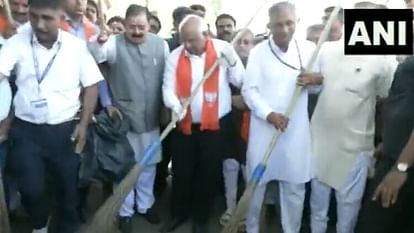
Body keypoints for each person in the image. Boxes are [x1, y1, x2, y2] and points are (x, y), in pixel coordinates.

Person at [0, 0, 103, 232]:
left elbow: (92, 86)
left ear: (61, 18)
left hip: (65, 131)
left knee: (68, 189)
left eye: (47, 18)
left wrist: (84, 125)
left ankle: (66, 226)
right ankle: (40, 225)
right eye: (34, 16)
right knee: (31, 188)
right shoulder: (17, 42)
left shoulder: (76, 47)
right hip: (26, 131)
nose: (39, 24)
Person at [309, 20, 397, 233]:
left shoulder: (385, 59)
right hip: (319, 143)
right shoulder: (327, 49)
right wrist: (315, 80)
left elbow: (386, 97)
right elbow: (311, 88)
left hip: (355, 148)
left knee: (347, 212)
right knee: (317, 208)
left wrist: (384, 140)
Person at [242, 2, 322, 233]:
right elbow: (249, 90)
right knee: (255, 187)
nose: (285, 29)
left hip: (295, 132)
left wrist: (316, 81)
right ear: (269, 26)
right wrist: (269, 114)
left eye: (289, 23)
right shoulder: (258, 52)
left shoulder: (309, 50)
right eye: (279, 24)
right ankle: (252, 228)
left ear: (297, 22)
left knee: (294, 189)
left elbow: (315, 91)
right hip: (264, 130)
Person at [161, 14, 244, 233]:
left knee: (207, 173)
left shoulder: (223, 49)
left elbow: (241, 80)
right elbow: (167, 88)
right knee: (182, 171)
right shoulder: (175, 56)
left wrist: (233, 61)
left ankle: (200, 218)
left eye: (191, 40)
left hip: (216, 126)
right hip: (184, 124)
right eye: (183, 40)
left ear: (205, 35)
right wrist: (175, 106)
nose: (187, 45)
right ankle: (179, 214)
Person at [88, 4, 168, 233]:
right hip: (123, 119)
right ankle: (125, 211)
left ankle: (146, 205)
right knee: (123, 168)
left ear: (148, 25)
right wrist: (100, 40)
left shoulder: (159, 44)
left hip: (152, 116)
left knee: (149, 165)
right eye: (131, 27)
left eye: (141, 27)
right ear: (124, 25)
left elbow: (166, 75)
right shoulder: (113, 42)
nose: (136, 31)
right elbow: (97, 54)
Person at [355, 56, 414, 233]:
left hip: (403, 162)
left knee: (373, 224)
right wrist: (386, 141)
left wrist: (400, 168)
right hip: (395, 152)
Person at [220, 28, 254, 226]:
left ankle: (248, 212)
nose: (242, 45)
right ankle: (230, 208)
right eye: (238, 41)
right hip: (228, 124)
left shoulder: (258, 65)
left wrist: (247, 100)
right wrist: (231, 100)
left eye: (247, 42)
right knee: (229, 166)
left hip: (252, 126)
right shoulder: (223, 65)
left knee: (248, 168)